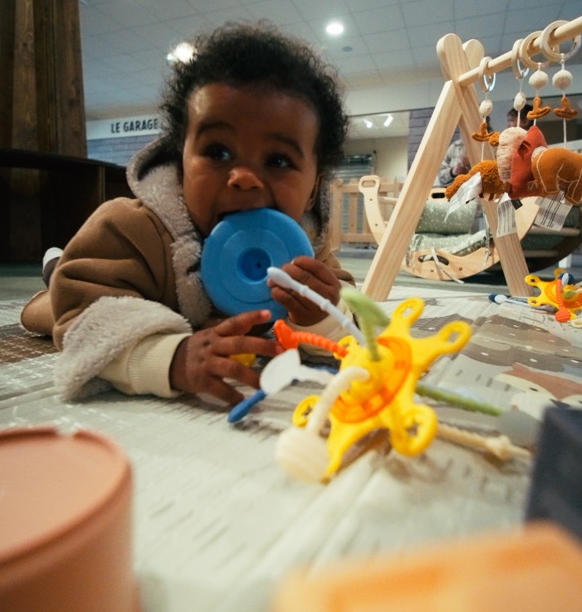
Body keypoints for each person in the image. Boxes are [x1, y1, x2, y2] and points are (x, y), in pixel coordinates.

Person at [21, 21, 354, 406]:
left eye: (278, 160)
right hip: (128, 286)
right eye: (218, 152)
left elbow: (353, 322)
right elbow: (88, 316)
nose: (244, 177)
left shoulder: (306, 247)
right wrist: (169, 356)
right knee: (50, 307)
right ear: (180, 162)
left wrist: (322, 313)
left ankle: (56, 264)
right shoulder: (131, 228)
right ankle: (55, 267)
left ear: (314, 187)